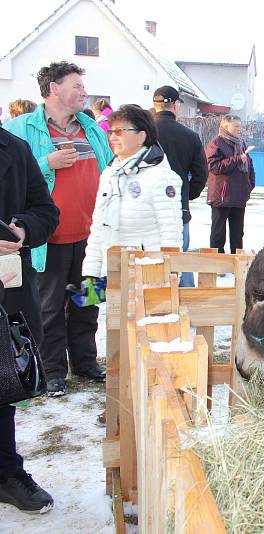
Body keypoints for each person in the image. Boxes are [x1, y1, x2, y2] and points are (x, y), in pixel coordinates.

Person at [3, 61, 114, 397]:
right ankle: (53, 371)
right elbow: (14, 174)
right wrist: (45, 163)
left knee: (89, 298)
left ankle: (85, 360)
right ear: (54, 89)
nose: (84, 92)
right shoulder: (21, 129)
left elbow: (110, 169)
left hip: (91, 237)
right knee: (49, 307)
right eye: (77, 86)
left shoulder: (91, 128)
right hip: (47, 240)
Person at [0, 127, 60, 513]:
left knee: (2, 386)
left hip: (7, 289)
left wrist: (23, 228)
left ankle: (6, 473)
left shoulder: (14, 149)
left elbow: (47, 212)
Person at [82, 105, 182, 279]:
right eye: (111, 132)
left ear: (141, 136)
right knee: (102, 305)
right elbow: (98, 227)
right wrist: (90, 275)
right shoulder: (110, 173)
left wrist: (169, 278)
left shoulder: (161, 176)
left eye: (120, 131)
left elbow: (171, 232)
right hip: (112, 271)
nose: (113, 137)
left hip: (148, 275)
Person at [152, 86, 208, 286]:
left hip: (145, 210)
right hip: (177, 207)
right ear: (175, 105)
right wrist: (188, 194)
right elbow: (202, 173)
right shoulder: (189, 136)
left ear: (154, 105)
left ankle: (152, 306)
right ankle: (187, 309)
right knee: (180, 259)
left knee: (147, 262)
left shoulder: (141, 135)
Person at [206, 114, 255, 254]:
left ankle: (237, 264)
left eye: (240, 125)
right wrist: (237, 159)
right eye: (236, 126)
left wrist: (250, 184)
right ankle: (217, 263)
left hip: (239, 196)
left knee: (238, 234)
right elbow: (214, 167)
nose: (239, 129)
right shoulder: (216, 143)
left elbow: (250, 164)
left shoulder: (241, 143)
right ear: (226, 126)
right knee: (218, 234)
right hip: (221, 196)